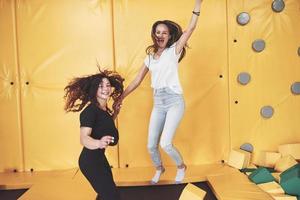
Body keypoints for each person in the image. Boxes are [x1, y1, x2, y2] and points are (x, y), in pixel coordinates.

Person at [114, 0, 202, 184]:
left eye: (164, 32)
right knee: (151, 145)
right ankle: (159, 168)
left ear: (170, 36)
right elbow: (137, 80)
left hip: (174, 102)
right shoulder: (150, 58)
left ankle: (181, 166)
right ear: (154, 35)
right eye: (158, 32)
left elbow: (191, 29)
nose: (161, 35)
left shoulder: (174, 50)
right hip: (159, 103)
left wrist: (198, 4)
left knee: (166, 143)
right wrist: (121, 98)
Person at [64, 69, 124, 200]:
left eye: (108, 85)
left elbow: (102, 126)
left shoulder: (102, 110)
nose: (105, 89)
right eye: (100, 86)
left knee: (108, 193)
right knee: (111, 195)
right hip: (90, 162)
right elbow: (83, 138)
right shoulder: (90, 111)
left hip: (99, 159)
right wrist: (99, 143)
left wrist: (114, 114)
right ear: (94, 89)